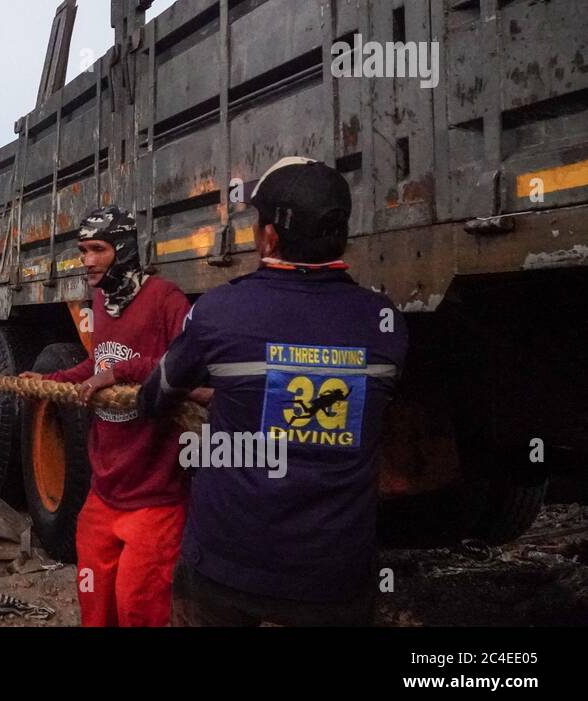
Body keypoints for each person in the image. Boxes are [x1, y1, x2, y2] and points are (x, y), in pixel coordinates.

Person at [139, 157, 409, 626]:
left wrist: (224, 393)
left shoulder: (220, 310)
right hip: (335, 577)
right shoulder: (384, 325)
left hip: (225, 569)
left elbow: (155, 397)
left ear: (270, 237)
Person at [22, 206, 192, 627]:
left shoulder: (166, 299)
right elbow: (99, 364)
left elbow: (189, 368)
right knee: (95, 606)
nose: (88, 260)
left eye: (98, 249)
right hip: (104, 491)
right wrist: (50, 381)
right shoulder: (101, 300)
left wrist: (122, 372)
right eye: (83, 250)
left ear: (125, 250)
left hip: (155, 495)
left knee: (139, 607)